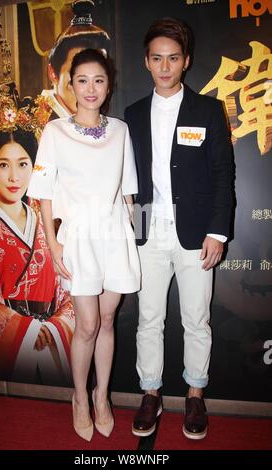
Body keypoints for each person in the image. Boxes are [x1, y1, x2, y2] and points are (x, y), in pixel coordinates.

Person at [124, 17, 234, 440]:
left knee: (196, 319)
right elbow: (125, 176)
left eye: (173, 58)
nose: (165, 66)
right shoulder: (133, 115)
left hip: (195, 235)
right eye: (157, 58)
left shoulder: (207, 110)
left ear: (185, 61)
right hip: (148, 233)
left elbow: (224, 174)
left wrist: (217, 232)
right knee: (148, 318)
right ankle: (150, 393)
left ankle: (194, 395)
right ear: (146, 62)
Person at [27, 48, 140, 441]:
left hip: (115, 234)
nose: (90, 89)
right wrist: (53, 245)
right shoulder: (55, 132)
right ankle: (79, 397)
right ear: (70, 84)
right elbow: (42, 194)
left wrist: (133, 236)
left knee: (108, 320)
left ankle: (102, 396)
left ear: (109, 85)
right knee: (87, 324)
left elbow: (128, 192)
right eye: (82, 80)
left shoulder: (121, 130)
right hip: (77, 236)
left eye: (99, 80)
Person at [0, 88, 75, 385]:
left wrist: (55, 329)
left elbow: (69, 287)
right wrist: (24, 330)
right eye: (3, 165)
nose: (14, 176)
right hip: (10, 343)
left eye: (23, 164)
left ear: (34, 169)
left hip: (53, 339)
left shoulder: (47, 219)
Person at [43, 0, 110, 119]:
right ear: (53, 73)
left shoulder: (111, 126)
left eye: (98, 77)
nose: (90, 89)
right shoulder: (33, 127)